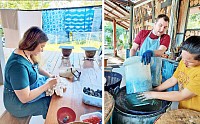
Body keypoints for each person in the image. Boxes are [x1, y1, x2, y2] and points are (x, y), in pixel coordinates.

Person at [3, 26, 58, 119]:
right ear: (33, 43)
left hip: (26, 92)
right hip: (17, 104)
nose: (42, 50)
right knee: (51, 103)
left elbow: (36, 67)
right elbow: (25, 98)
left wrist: (50, 76)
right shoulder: (17, 66)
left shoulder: (26, 53)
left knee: (55, 93)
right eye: (41, 46)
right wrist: (47, 85)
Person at [137, 36, 200, 112]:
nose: (184, 63)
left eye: (189, 62)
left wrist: (153, 95)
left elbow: (182, 95)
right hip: (183, 109)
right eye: (183, 58)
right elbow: (172, 80)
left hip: (196, 112)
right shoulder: (183, 62)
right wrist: (155, 90)